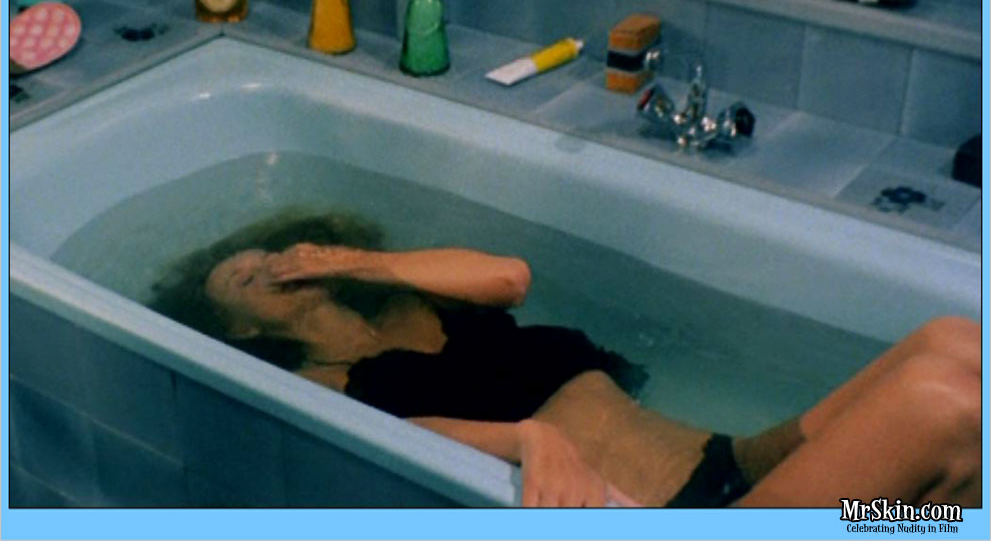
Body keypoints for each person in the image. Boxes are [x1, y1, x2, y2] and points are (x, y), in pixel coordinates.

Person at [151, 211, 982, 508]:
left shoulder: (413, 299)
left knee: (954, 344)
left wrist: (360, 263)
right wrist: (526, 437)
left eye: (270, 255)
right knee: (943, 406)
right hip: (669, 513)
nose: (268, 267)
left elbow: (508, 277)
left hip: (731, 465)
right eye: (245, 279)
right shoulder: (319, 379)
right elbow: (391, 435)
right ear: (242, 330)